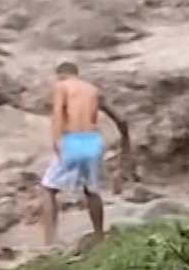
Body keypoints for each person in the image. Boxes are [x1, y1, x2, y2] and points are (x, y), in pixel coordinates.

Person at [40, 61, 132, 247]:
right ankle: (99, 235)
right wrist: (126, 144)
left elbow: (58, 114)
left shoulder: (62, 87)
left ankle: (50, 242)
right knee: (91, 190)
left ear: (60, 75)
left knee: (48, 188)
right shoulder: (93, 90)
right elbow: (121, 119)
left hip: (72, 139)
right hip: (92, 141)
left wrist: (56, 141)